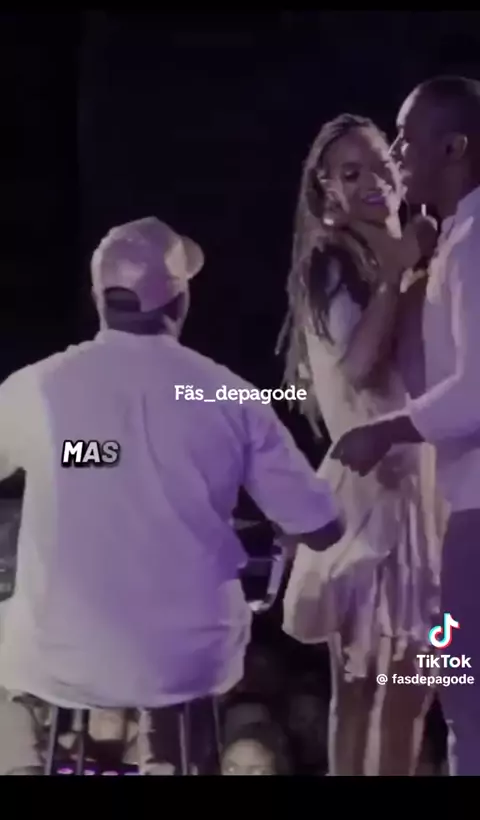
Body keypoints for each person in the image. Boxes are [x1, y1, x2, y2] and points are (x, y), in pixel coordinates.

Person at [0, 216, 342, 775]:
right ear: (180, 301)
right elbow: (322, 525)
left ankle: (24, 765)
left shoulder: (35, 387)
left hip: (61, 654)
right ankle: (166, 762)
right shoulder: (224, 394)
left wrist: (75, 462)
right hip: (190, 658)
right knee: (176, 661)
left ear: (99, 297)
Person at [278, 114, 444, 775]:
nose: (374, 181)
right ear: (328, 189)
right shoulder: (333, 262)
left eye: (381, 164)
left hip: (424, 491)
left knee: (407, 688)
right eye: (352, 173)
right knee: (371, 685)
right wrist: (398, 274)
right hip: (376, 499)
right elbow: (358, 368)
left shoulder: (399, 256)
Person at [331, 76, 480, 777]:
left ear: (454, 147)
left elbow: (473, 389)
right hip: (432, 513)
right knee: (419, 685)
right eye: (350, 171)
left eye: (402, 140)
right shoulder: (445, 246)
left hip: (461, 517)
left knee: (459, 693)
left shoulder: (470, 244)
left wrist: (383, 432)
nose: (394, 158)